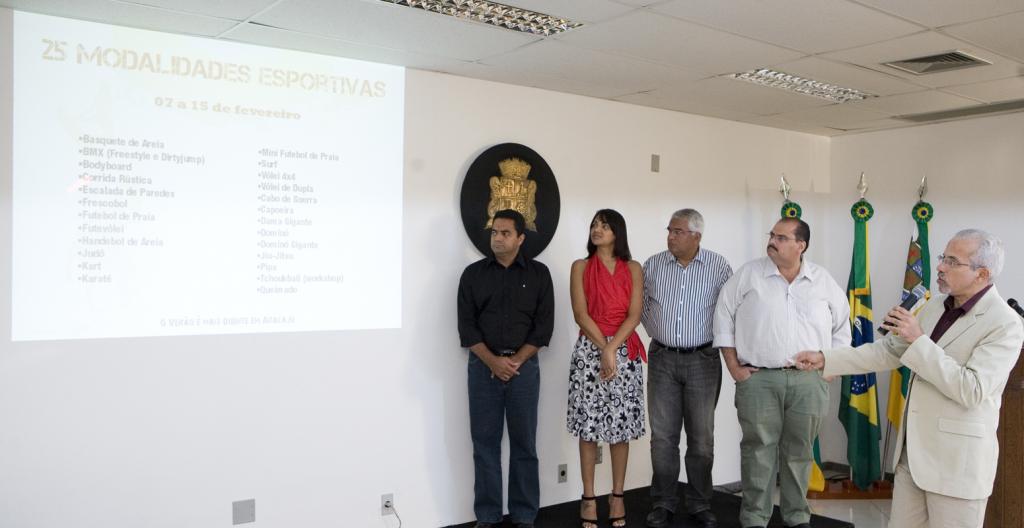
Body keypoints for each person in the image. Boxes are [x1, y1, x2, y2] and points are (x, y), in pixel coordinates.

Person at [794, 229, 1024, 528]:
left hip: (957, 467)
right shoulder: (935, 306)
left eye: (952, 261)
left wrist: (918, 340)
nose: (940, 267)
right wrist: (827, 358)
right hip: (911, 459)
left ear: (982, 274)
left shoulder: (1005, 323)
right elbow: (888, 352)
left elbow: (972, 389)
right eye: (942, 257)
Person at [713, 217, 851, 528]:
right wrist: (733, 366)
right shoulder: (749, 275)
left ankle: (797, 516)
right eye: (772, 235)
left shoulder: (822, 280)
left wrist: (830, 369)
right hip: (759, 380)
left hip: (809, 382)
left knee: (799, 452)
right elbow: (722, 318)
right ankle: (754, 517)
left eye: (782, 237)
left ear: (801, 245)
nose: (772, 241)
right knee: (757, 450)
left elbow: (843, 327)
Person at [457, 209, 555, 528]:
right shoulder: (473, 275)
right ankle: (487, 516)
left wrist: (514, 362)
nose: (497, 238)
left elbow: (543, 328)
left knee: (524, 443)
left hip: (523, 369)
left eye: (505, 233)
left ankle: (524, 514)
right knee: (484, 444)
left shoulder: (539, 274)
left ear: (520, 238)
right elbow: (467, 328)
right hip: (483, 369)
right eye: (494, 232)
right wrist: (494, 362)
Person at [641, 209, 733, 528]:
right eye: (669, 230)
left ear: (696, 236)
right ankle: (663, 502)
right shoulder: (653, 265)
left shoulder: (718, 266)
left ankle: (699, 503)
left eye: (678, 231)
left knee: (701, 439)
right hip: (662, 358)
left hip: (702, 360)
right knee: (662, 438)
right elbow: (640, 306)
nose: (670, 237)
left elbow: (729, 310)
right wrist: (659, 331)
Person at [566, 209, 645, 528]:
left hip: (624, 350)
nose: (597, 229)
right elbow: (580, 314)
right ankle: (588, 498)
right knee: (588, 427)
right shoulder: (581, 266)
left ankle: (617, 496)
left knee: (620, 427)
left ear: (618, 232)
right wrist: (604, 347)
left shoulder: (634, 268)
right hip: (589, 350)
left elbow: (634, 314)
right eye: (594, 225)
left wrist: (612, 349)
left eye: (604, 225)